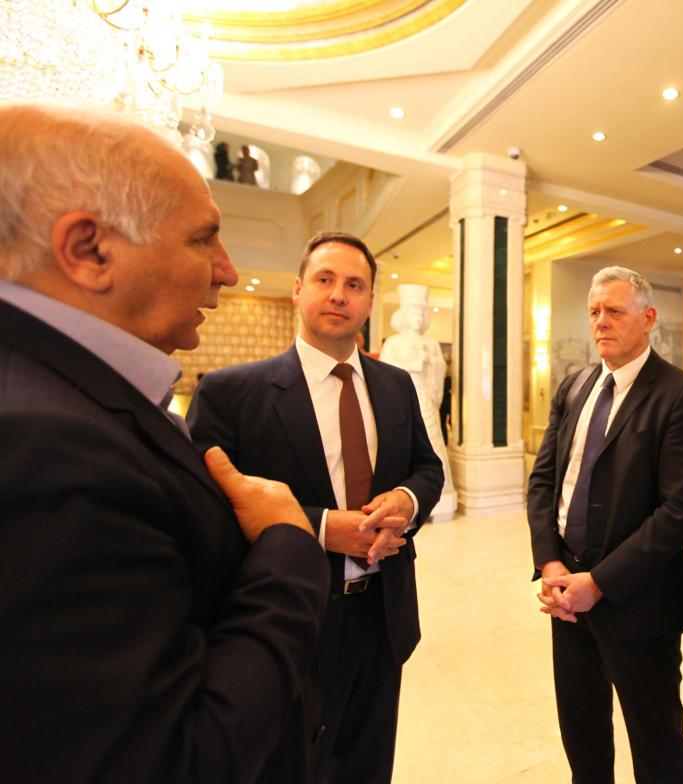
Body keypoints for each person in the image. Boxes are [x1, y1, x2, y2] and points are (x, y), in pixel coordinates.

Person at [0, 103, 330, 783]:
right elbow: (176, 757)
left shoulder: (70, 394)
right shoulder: (42, 444)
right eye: (203, 238)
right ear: (90, 250)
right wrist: (289, 549)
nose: (228, 270)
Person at [188, 232, 444, 784]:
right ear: (299, 289)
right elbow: (207, 511)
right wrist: (324, 528)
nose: (339, 295)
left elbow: (429, 468)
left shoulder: (398, 386)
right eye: (325, 280)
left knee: (370, 762)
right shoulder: (231, 393)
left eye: (355, 285)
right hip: (289, 620)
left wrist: (406, 498)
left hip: (384, 612)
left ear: (371, 302)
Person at [527, 265, 683, 783]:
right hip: (566, 596)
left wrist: (600, 583)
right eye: (593, 312)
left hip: (640, 602)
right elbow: (544, 482)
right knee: (582, 732)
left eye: (614, 311)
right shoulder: (576, 385)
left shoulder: (680, 394)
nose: (600, 322)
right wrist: (550, 562)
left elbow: (681, 513)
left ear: (648, 318)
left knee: (655, 740)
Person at [379, 284, 457, 520]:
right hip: (401, 398)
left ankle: (442, 495)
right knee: (403, 442)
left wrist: (431, 362)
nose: (417, 319)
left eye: (420, 314)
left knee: (433, 441)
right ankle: (403, 496)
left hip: (424, 396)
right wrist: (414, 363)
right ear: (403, 316)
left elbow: (440, 371)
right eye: (412, 313)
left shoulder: (431, 343)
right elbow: (385, 372)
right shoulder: (393, 342)